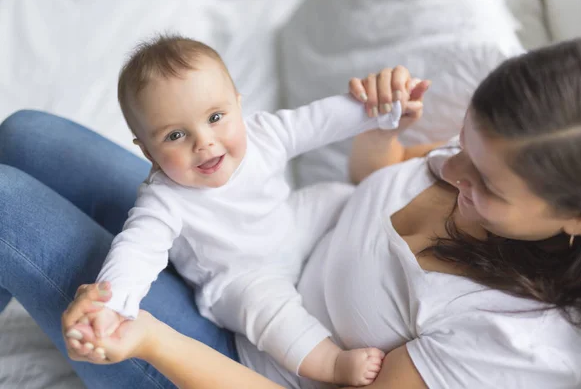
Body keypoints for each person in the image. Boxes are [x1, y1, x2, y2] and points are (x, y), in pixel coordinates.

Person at [0, 36, 581, 388]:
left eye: (485, 181)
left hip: (234, 360)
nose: (453, 169)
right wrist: (384, 119)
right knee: (24, 133)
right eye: (462, 142)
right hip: (244, 242)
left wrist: (149, 339)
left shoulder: (520, 339)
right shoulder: (487, 160)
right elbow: (371, 186)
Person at [77, 34, 429, 387]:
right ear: (148, 153)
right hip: (240, 276)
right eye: (175, 136)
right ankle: (332, 363)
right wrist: (113, 304)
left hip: (290, 224)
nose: (204, 142)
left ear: (238, 105)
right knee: (270, 315)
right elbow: (136, 250)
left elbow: (317, 120)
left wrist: (379, 109)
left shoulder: (263, 134)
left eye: (215, 116)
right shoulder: (164, 199)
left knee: (344, 195)